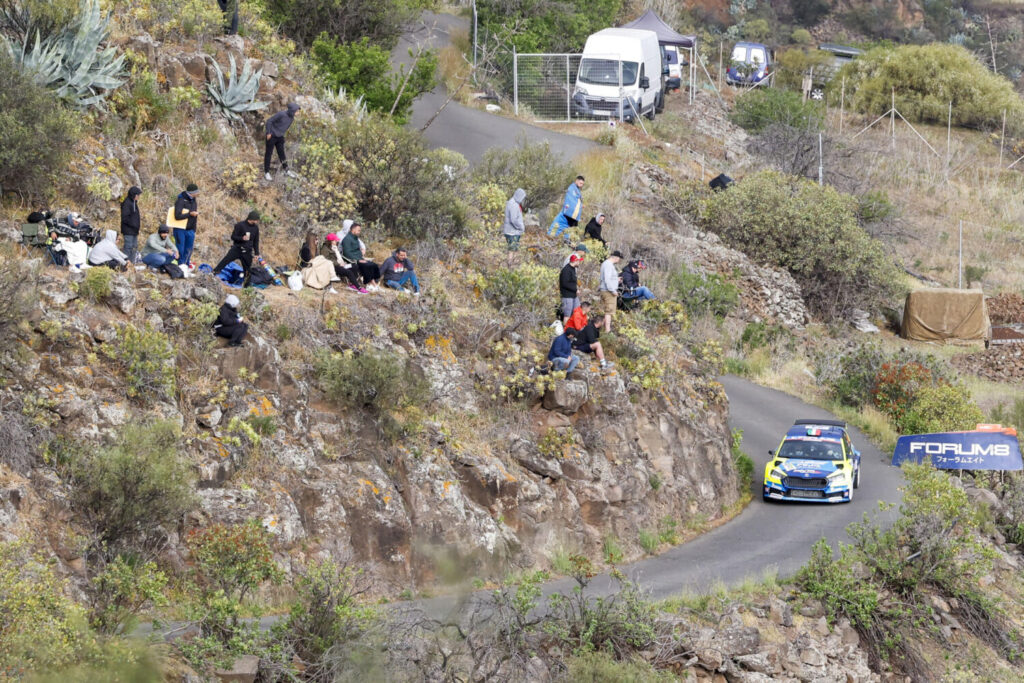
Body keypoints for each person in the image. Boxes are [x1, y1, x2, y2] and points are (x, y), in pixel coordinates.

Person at [213, 211, 262, 287]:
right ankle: (213, 274)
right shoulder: (240, 225)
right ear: (252, 218)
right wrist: (242, 238)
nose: (257, 221)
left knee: (247, 270)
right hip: (237, 249)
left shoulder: (256, 228)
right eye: (256, 219)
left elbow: (256, 241)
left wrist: (257, 253)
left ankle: (246, 287)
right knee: (225, 261)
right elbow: (233, 237)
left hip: (247, 251)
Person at [568, 302, 612, 370]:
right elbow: (591, 340)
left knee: (597, 344)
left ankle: (601, 361)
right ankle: (604, 364)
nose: (604, 324)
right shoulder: (589, 328)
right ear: (599, 322)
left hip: (583, 344)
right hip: (578, 345)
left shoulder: (594, 328)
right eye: (603, 322)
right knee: (597, 344)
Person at [264, 102, 300, 181]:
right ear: (292, 111)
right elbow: (269, 121)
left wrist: (281, 135)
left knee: (282, 154)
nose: (298, 113)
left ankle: (286, 170)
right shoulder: (281, 114)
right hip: (272, 136)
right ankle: (266, 172)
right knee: (268, 154)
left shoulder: (292, 118)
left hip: (280, 137)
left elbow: (284, 127)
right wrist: (268, 133)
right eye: (297, 111)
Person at [342, 223, 381, 290]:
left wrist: (362, 258)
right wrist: (358, 260)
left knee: (374, 265)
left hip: (360, 258)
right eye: (358, 230)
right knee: (367, 265)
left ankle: (374, 283)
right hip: (352, 260)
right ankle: (369, 284)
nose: (359, 232)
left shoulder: (355, 238)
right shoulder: (347, 239)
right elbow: (346, 253)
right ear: (353, 230)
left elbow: (357, 250)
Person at [548, 175, 584, 243]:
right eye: (580, 183)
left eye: (582, 184)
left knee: (567, 232)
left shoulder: (577, 191)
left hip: (571, 217)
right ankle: (549, 239)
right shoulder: (572, 189)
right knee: (556, 227)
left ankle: (566, 243)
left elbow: (577, 202)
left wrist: (580, 206)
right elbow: (571, 201)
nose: (581, 185)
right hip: (567, 214)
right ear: (576, 181)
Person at [172, 183, 199, 266]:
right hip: (180, 229)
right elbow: (177, 216)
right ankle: (180, 265)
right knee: (180, 249)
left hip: (190, 229)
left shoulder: (194, 201)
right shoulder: (180, 201)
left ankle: (186, 265)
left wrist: (194, 229)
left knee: (189, 249)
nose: (198, 193)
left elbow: (194, 217)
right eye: (196, 192)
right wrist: (189, 214)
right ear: (192, 193)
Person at [599, 250, 623, 332]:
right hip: (608, 291)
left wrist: (616, 279)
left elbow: (609, 278)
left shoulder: (607, 264)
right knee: (609, 312)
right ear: (616, 258)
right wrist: (613, 291)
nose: (619, 260)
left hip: (606, 290)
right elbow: (607, 279)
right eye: (619, 258)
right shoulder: (608, 265)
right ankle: (607, 330)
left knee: (608, 311)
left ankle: (602, 329)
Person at [502, 188, 526, 266]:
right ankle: (511, 267)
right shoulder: (514, 205)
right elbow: (513, 220)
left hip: (510, 231)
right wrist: (521, 227)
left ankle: (513, 266)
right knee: (512, 250)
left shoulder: (510, 202)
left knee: (513, 249)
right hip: (512, 232)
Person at [120, 186, 142, 264]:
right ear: (134, 195)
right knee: (128, 247)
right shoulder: (127, 203)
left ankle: (132, 264)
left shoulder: (134, 202)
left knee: (134, 247)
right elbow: (125, 218)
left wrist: (136, 226)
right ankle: (125, 264)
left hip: (134, 230)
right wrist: (134, 224)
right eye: (137, 195)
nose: (138, 197)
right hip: (128, 230)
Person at [559, 253, 583, 324]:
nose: (579, 262)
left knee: (577, 312)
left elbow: (572, 282)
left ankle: (575, 328)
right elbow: (564, 283)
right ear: (575, 261)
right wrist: (575, 289)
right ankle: (566, 329)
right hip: (567, 296)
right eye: (578, 261)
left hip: (573, 295)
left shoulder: (573, 269)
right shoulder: (566, 270)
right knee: (567, 315)